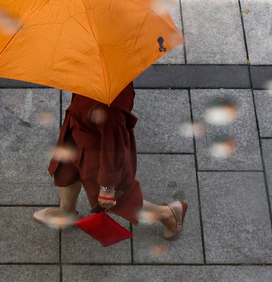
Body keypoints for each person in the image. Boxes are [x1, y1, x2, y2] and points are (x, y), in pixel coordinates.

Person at [33, 82, 188, 239]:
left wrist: (107, 187)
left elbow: (114, 145)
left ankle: (167, 214)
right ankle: (67, 212)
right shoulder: (100, 79)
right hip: (80, 129)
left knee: (117, 198)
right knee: (66, 171)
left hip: (97, 148)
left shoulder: (109, 101)